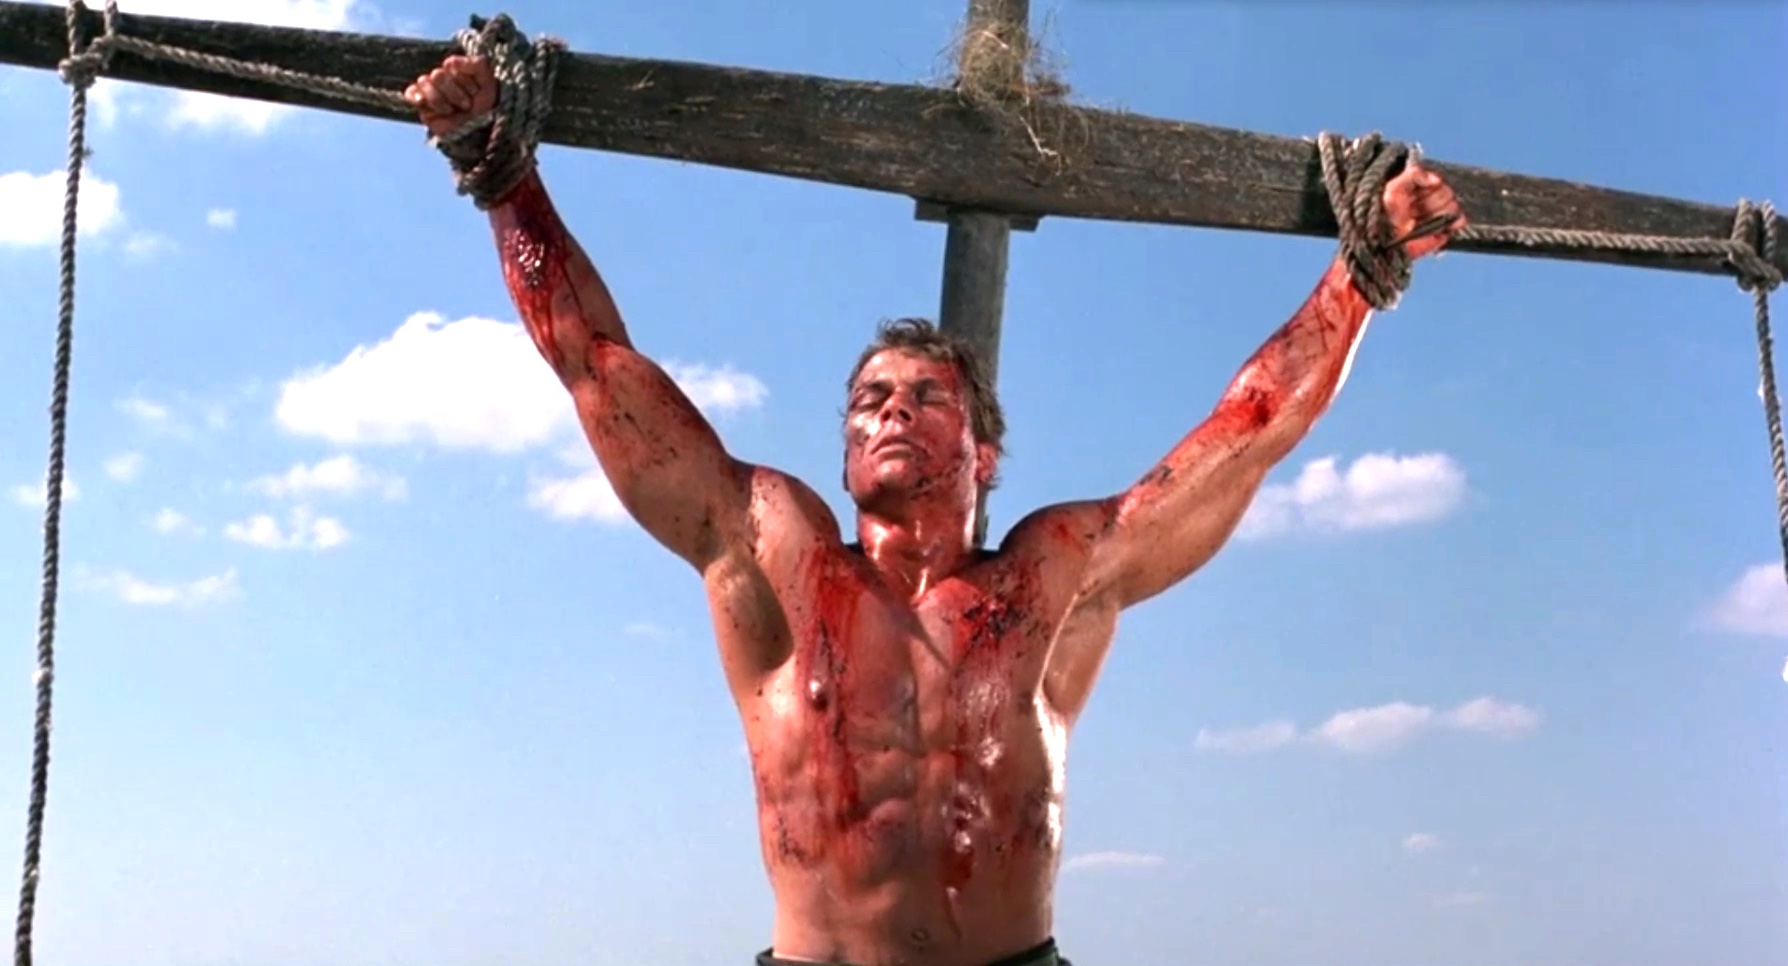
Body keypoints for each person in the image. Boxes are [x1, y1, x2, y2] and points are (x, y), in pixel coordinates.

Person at [405, 51, 1466, 966]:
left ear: (983, 452)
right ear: (844, 449)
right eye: (871, 399)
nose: (893, 410)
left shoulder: (1054, 574)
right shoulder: (775, 551)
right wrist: (500, 173)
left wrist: (1361, 272)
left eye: (926, 396)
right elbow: (594, 364)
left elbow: (1249, 431)